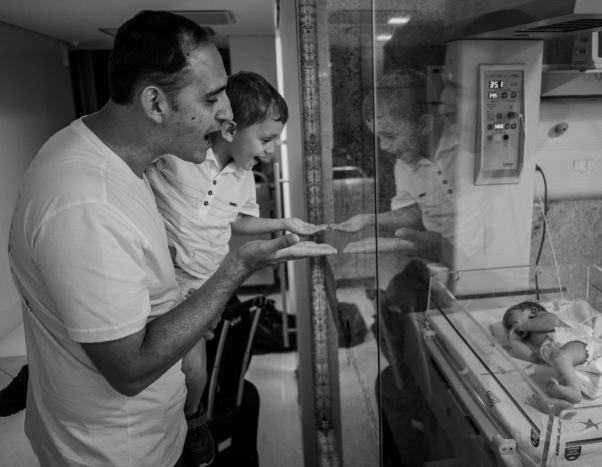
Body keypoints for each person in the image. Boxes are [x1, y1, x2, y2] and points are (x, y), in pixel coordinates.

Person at [6, 10, 335, 467]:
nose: (226, 115)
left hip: (150, 432)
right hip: (116, 452)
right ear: (156, 104)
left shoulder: (119, 159)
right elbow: (130, 368)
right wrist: (237, 267)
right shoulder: (85, 202)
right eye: (213, 97)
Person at [145, 70, 326, 465]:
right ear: (228, 128)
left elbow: (239, 222)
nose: (269, 151)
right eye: (264, 140)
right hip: (166, 279)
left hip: (208, 283)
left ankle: (194, 414)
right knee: (189, 370)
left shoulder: (243, 179)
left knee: (202, 368)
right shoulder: (181, 157)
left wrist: (284, 223)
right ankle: (194, 421)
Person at [331, 69, 454, 264]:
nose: (383, 147)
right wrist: (369, 219)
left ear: (423, 125)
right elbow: (414, 212)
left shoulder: (465, 146)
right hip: (441, 260)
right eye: (378, 137)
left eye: (390, 135)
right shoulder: (403, 165)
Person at [502, 301, 602, 415]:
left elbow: (552, 321)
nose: (509, 326)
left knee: (558, 356)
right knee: (554, 383)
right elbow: (531, 357)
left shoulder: (543, 318)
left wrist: (524, 325)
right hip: (579, 371)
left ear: (532, 312)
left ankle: (573, 391)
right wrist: (514, 340)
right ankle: (559, 404)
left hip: (587, 350)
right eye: (507, 327)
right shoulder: (529, 339)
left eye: (510, 319)